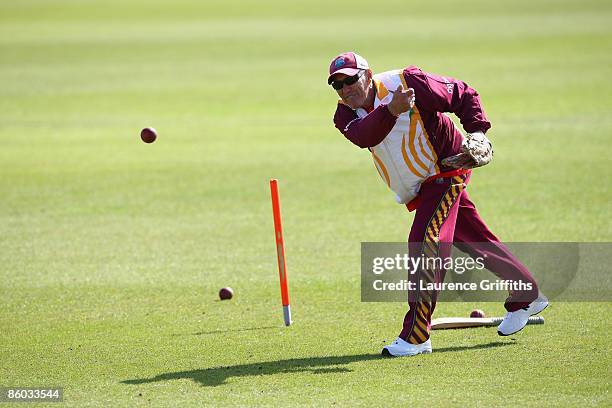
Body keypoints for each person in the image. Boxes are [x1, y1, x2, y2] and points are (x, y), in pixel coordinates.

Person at [327, 51, 548, 357]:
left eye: (351, 79)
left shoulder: (406, 82)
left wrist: (478, 133)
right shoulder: (345, 115)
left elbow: (462, 94)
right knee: (475, 240)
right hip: (422, 186)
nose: (346, 88)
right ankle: (527, 293)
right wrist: (392, 110)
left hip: (447, 170)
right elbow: (366, 136)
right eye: (337, 85)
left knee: (424, 243)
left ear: (368, 74)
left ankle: (416, 336)